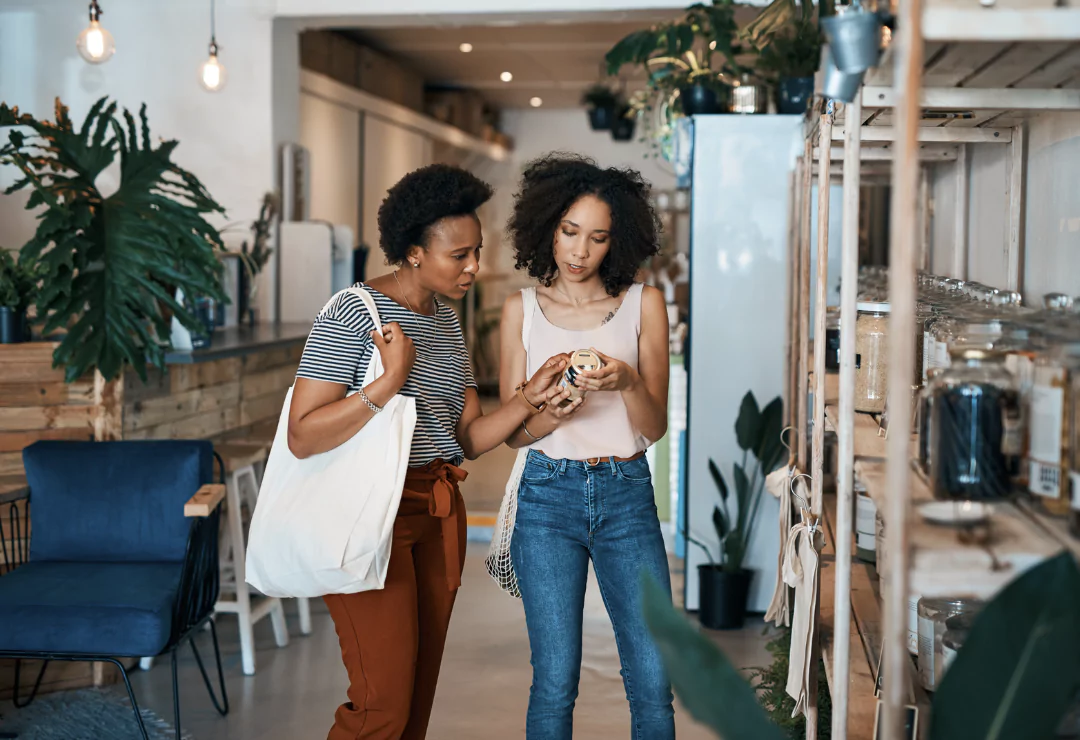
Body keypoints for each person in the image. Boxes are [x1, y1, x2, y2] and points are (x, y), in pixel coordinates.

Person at [286, 163, 572, 740]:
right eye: (459, 255)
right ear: (414, 251)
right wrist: (386, 384)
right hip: (369, 515)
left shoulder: (446, 320)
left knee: (415, 702)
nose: (475, 267)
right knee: (381, 705)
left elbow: (466, 437)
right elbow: (302, 434)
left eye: (478, 251)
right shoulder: (352, 311)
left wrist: (529, 400)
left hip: (437, 511)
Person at [500, 153, 675, 739]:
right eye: (569, 232)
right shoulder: (519, 311)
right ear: (546, 225)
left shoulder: (643, 303)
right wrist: (549, 411)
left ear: (616, 241)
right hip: (546, 500)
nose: (579, 252)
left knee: (653, 678)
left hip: (627, 495)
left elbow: (654, 428)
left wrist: (626, 382)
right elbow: (512, 434)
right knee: (554, 679)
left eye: (596, 238)